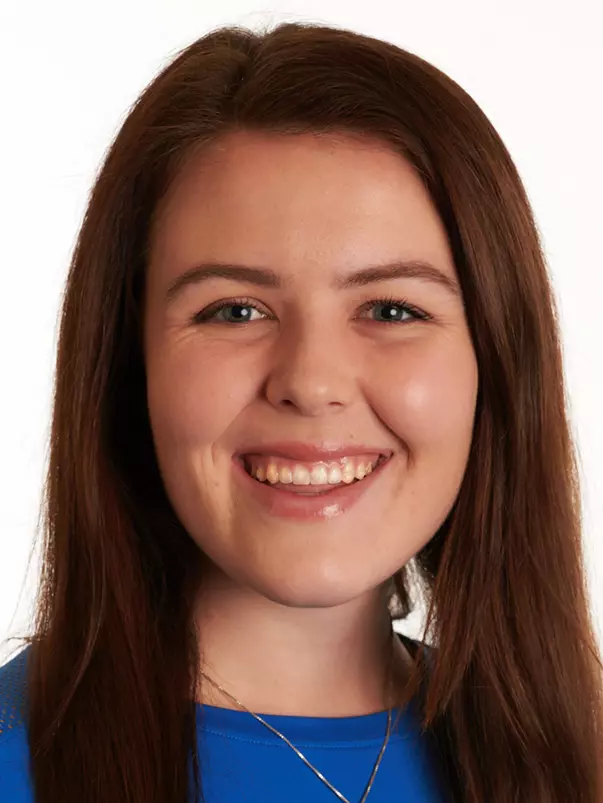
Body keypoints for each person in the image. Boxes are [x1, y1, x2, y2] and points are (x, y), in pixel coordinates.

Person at [0, 20, 601, 803]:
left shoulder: (577, 758)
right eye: (234, 311)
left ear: (494, 359)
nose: (311, 382)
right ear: (127, 360)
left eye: (390, 309)